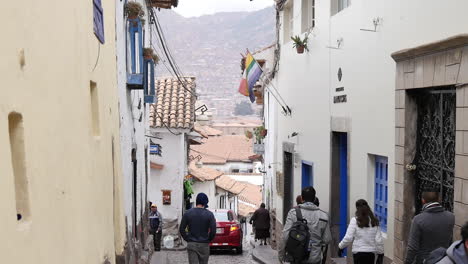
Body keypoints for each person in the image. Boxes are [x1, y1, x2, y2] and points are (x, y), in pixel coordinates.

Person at [279, 186, 332, 264]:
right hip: (315, 259)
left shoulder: (293, 213)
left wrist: (281, 255)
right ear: (314, 199)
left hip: (297, 257)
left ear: (302, 199)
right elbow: (327, 240)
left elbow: (285, 236)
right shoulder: (324, 216)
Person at [404, 191, 455, 264]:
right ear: (439, 200)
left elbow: (412, 248)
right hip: (443, 259)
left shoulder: (418, 219)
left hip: (424, 260)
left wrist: (407, 262)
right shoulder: (451, 217)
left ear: (423, 200)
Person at [338, 199, 384, 264]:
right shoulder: (374, 221)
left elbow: (348, 238)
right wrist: (381, 253)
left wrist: (340, 246)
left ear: (357, 208)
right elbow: (378, 240)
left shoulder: (355, 221)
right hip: (370, 254)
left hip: (358, 254)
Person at [179, 193, 216, 264]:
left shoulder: (188, 213)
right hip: (204, 245)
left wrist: (188, 239)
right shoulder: (210, 215)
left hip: (192, 244)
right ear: (205, 203)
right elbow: (213, 231)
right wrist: (208, 239)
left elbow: (181, 229)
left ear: (196, 201)